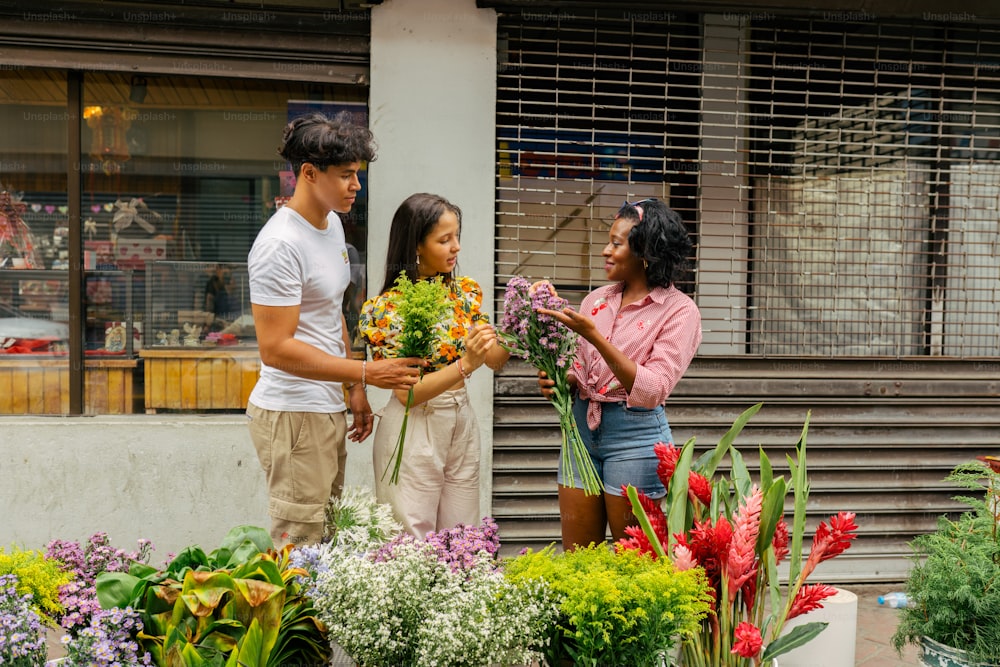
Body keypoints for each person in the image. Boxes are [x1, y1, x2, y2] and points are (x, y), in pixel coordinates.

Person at [246, 112, 423, 547]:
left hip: (325, 405)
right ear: (308, 173)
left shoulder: (331, 224)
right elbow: (276, 349)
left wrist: (353, 390)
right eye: (346, 175)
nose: (355, 186)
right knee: (300, 544)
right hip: (293, 410)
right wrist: (363, 374)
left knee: (326, 538)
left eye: (357, 175)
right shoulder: (279, 245)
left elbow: (333, 315)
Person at [536, 198, 702, 550]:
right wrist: (558, 378)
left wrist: (593, 334)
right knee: (581, 560)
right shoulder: (595, 301)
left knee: (636, 563)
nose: (604, 251)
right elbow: (580, 370)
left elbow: (653, 388)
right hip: (580, 433)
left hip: (636, 437)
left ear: (645, 251)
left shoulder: (679, 311)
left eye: (616, 243)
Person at [359, 192, 509, 537]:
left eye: (457, 236)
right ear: (416, 246)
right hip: (415, 425)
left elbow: (496, 360)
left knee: (462, 537)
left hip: (461, 419)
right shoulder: (387, 310)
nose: (456, 247)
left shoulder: (465, 294)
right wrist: (466, 364)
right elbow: (408, 396)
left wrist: (518, 328)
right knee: (411, 537)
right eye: (444, 239)